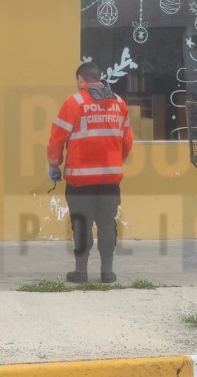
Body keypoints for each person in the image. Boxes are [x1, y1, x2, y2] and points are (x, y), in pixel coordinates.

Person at [47, 62, 133, 284]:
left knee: (81, 224)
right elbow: (127, 142)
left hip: (80, 180)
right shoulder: (119, 103)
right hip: (110, 179)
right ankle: (107, 272)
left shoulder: (74, 102)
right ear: (99, 77)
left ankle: (81, 272)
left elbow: (57, 139)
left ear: (80, 79)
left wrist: (54, 164)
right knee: (107, 223)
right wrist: (115, 162)